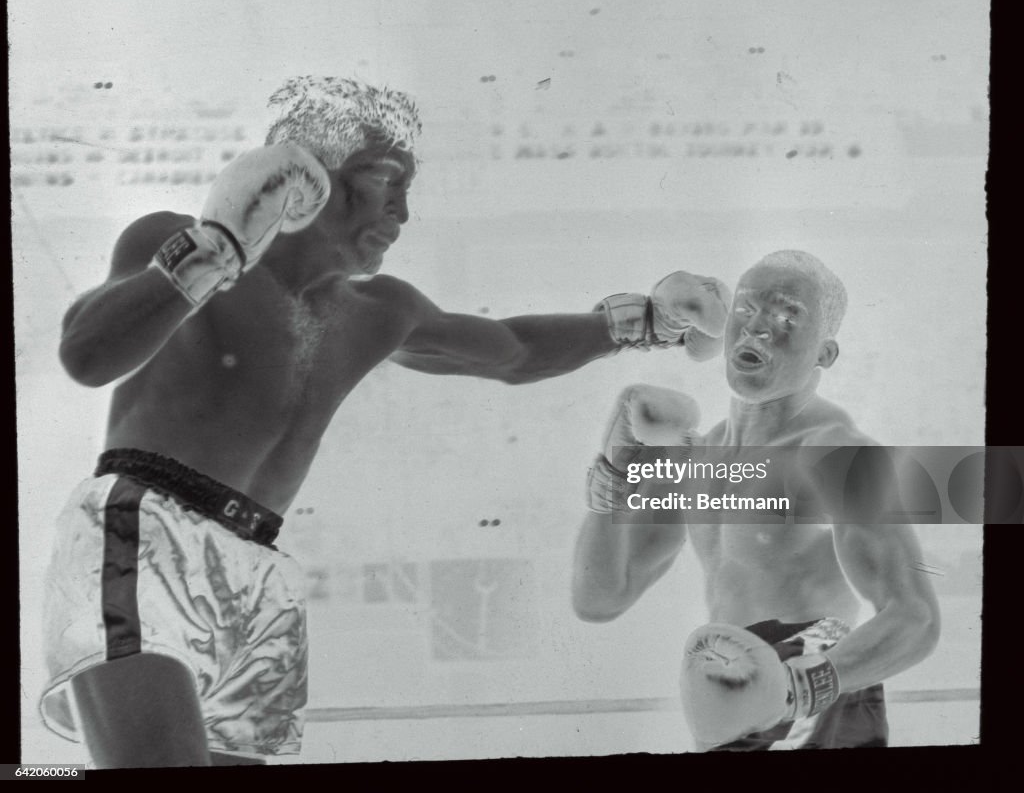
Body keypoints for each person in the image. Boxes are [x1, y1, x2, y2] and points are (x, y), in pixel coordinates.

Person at [39, 75, 732, 768]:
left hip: (257, 570)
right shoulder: (170, 241)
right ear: (305, 174)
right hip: (148, 528)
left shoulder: (377, 313)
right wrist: (216, 246)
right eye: (383, 178)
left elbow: (515, 351)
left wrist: (645, 320)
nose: (402, 209)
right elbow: (86, 354)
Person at [571, 249, 940, 751]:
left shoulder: (836, 452)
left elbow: (915, 617)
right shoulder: (695, 460)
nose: (758, 328)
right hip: (726, 693)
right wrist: (613, 477)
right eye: (745, 310)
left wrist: (799, 689)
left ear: (824, 354)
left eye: (788, 315)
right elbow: (600, 598)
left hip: (821, 686)